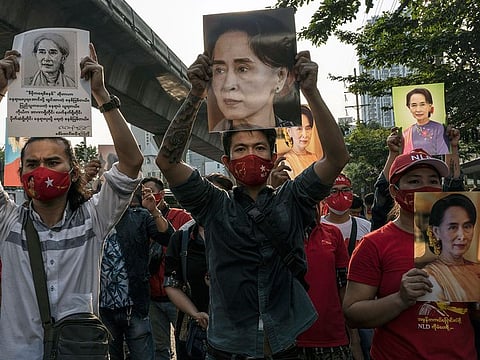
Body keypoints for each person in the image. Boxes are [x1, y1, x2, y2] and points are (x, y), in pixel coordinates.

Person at [156, 49, 349, 359]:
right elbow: (166, 160)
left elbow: (337, 157)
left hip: (285, 345)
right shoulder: (212, 204)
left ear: (273, 157)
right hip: (227, 348)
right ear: (227, 162)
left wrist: (311, 91)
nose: (250, 154)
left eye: (259, 147)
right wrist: (195, 94)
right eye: (241, 149)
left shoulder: (294, 198)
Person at [0, 45, 144, 359]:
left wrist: (101, 95)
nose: (42, 171)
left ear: (73, 170)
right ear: (20, 172)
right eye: (32, 164)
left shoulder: (94, 219)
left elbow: (132, 162)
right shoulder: (6, 221)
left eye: (53, 162)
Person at [343, 148, 477, 359]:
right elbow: (352, 313)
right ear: (395, 191)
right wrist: (400, 299)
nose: (426, 187)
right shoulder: (374, 244)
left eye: (433, 180)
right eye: (414, 181)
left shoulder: (466, 242)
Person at [99, 185, 174, 360]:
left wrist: (154, 210)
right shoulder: (95, 218)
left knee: (143, 354)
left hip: (134, 304)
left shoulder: (139, 216)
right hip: (103, 307)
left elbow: (168, 237)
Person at [164, 173, 233, 360]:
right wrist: (195, 313)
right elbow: (172, 284)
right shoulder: (182, 238)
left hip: (236, 330)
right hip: (193, 331)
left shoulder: (243, 236)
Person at [205, 9, 298, 131]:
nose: (228, 85)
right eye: (220, 70)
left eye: (242, 69)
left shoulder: (298, 136)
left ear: (280, 77)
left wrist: (312, 94)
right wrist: (194, 95)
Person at [141, 176, 192, 360]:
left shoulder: (181, 217)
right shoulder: (138, 218)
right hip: (152, 296)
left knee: (185, 344)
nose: (146, 197)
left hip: (177, 295)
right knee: (159, 348)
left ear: (161, 194)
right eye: (142, 193)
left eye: (150, 192)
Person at [418, 193, 480, 302]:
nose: (462, 236)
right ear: (436, 232)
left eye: (467, 226)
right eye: (453, 227)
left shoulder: (476, 269)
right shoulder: (429, 277)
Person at [401, 88, 449, 155]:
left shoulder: (438, 128)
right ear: (409, 108)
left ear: (429, 106)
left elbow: (444, 154)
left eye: (422, 104)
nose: (418, 109)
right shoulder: (406, 133)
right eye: (414, 105)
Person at [281, 105, 319, 179]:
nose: (304, 135)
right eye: (299, 129)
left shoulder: (314, 157)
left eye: (308, 128)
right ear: (289, 131)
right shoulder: (286, 161)